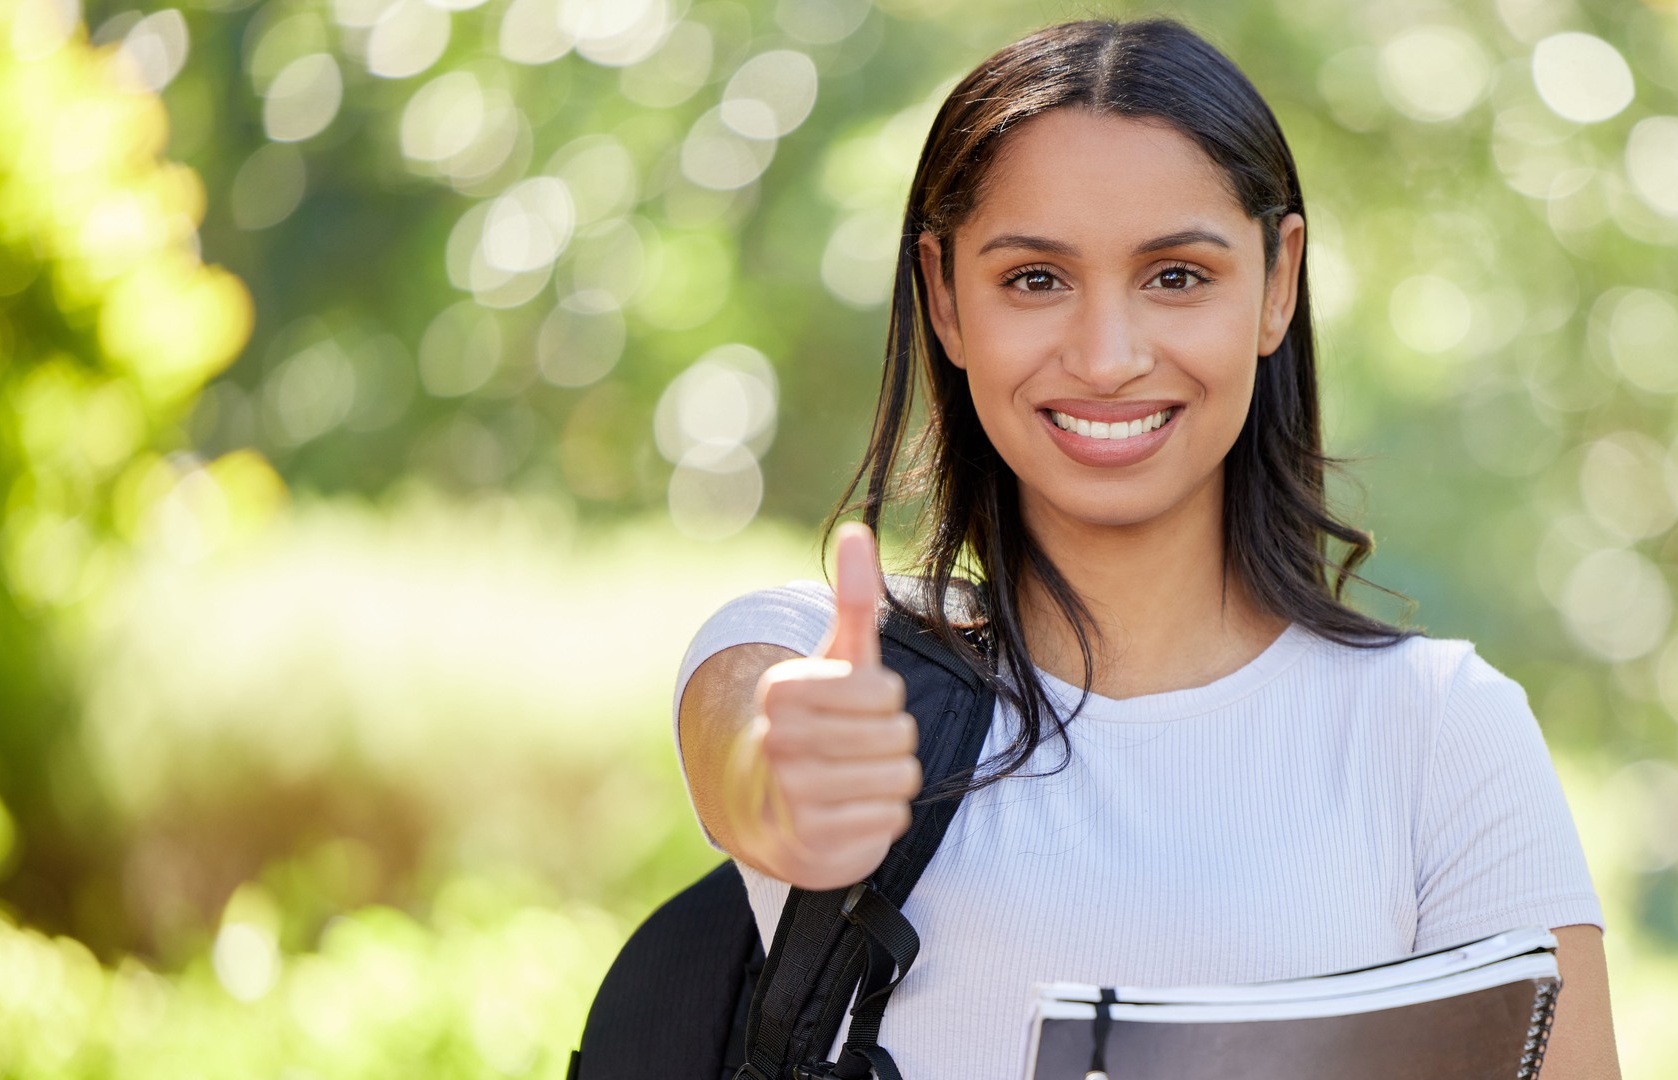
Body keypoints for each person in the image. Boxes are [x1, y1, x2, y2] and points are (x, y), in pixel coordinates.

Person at [673, 17, 1620, 1078]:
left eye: (1175, 276)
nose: (1108, 356)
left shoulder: (1442, 732)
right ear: (944, 296)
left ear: (1277, 280)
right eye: (1035, 278)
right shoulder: (817, 658)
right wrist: (794, 781)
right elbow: (753, 756)